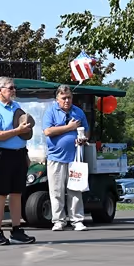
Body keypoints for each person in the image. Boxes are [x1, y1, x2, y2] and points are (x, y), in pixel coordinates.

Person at [0, 77, 36, 245]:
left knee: (17, 193)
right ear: (0, 90)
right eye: (11, 88)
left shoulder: (16, 107)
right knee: (1, 193)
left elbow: (22, 133)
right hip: (1, 154)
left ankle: (16, 229)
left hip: (18, 153)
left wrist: (25, 154)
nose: (14, 90)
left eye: (14, 88)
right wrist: (17, 131)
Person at [42, 85, 90, 231]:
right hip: (55, 157)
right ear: (57, 99)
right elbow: (48, 131)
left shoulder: (78, 112)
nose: (67, 101)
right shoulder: (50, 111)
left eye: (69, 97)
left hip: (75, 157)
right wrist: (69, 128)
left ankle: (77, 220)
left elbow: (87, 132)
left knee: (76, 189)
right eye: (63, 98)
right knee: (56, 190)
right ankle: (59, 221)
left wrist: (83, 138)